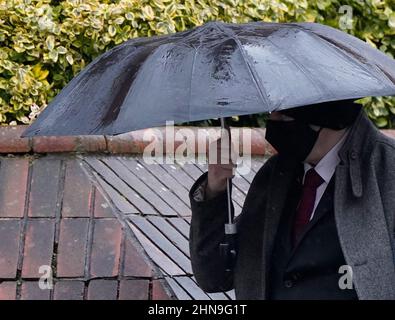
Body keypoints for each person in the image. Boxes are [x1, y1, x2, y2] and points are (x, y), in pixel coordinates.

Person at [189, 100, 395, 300]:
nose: (272, 120)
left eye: (284, 114)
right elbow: (214, 277)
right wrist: (214, 191)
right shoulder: (274, 175)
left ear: (323, 114)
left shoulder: (387, 171)